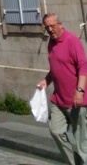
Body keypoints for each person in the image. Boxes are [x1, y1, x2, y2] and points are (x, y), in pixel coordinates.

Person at [37, 13, 87, 165]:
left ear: (60, 24)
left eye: (52, 26)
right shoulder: (51, 43)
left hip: (76, 101)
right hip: (58, 99)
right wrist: (46, 81)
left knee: (81, 142)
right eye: (47, 27)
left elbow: (83, 67)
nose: (50, 30)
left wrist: (80, 90)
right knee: (56, 131)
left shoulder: (72, 41)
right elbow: (56, 67)